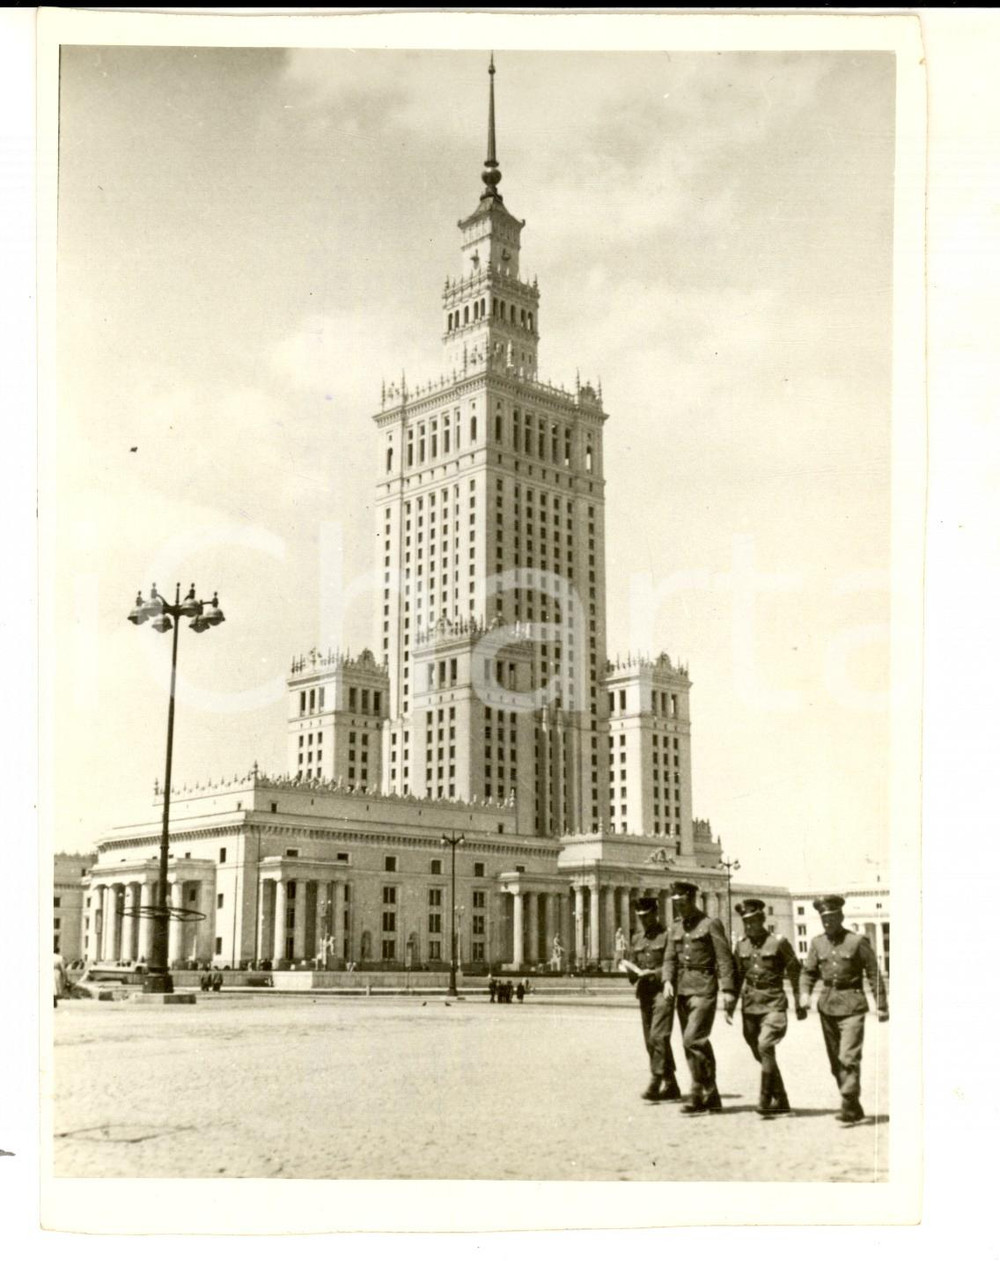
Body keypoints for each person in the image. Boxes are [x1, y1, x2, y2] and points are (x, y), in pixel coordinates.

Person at [800, 895, 888, 1124]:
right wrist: (805, 993)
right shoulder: (817, 943)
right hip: (827, 1005)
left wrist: (881, 1004)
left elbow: (873, 972)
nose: (827, 922)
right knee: (835, 1062)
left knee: (848, 1057)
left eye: (831, 917)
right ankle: (853, 1105)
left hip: (853, 1005)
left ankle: (848, 1099)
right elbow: (808, 972)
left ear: (840, 916)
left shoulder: (857, 941)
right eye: (823, 918)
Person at [663, 880, 736, 1115]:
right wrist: (667, 980)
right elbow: (669, 958)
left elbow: (724, 958)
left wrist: (728, 990)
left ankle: (699, 1090)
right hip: (682, 990)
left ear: (692, 900)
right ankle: (710, 1094)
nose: (679, 908)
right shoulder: (675, 928)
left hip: (704, 988)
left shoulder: (710, 924)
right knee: (692, 1042)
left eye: (682, 903)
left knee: (693, 1039)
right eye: (675, 904)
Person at [732, 899, 806, 1116]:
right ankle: (781, 1099)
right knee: (761, 1052)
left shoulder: (778, 942)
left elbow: (795, 971)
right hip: (750, 1005)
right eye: (745, 922)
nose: (749, 926)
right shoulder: (741, 945)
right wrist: (730, 1004)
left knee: (765, 1046)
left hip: (774, 1002)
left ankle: (765, 1098)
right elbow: (737, 977)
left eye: (753, 921)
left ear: (762, 920)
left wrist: (799, 1001)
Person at [624, 895, 681, 1103]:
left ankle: (656, 1080)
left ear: (655, 914)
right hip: (645, 993)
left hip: (662, 991)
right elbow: (632, 963)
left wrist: (655, 974)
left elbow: (672, 964)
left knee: (659, 1036)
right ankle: (671, 1083)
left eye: (647, 916)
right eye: (640, 917)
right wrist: (630, 971)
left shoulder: (667, 936)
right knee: (651, 1040)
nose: (644, 920)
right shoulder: (636, 939)